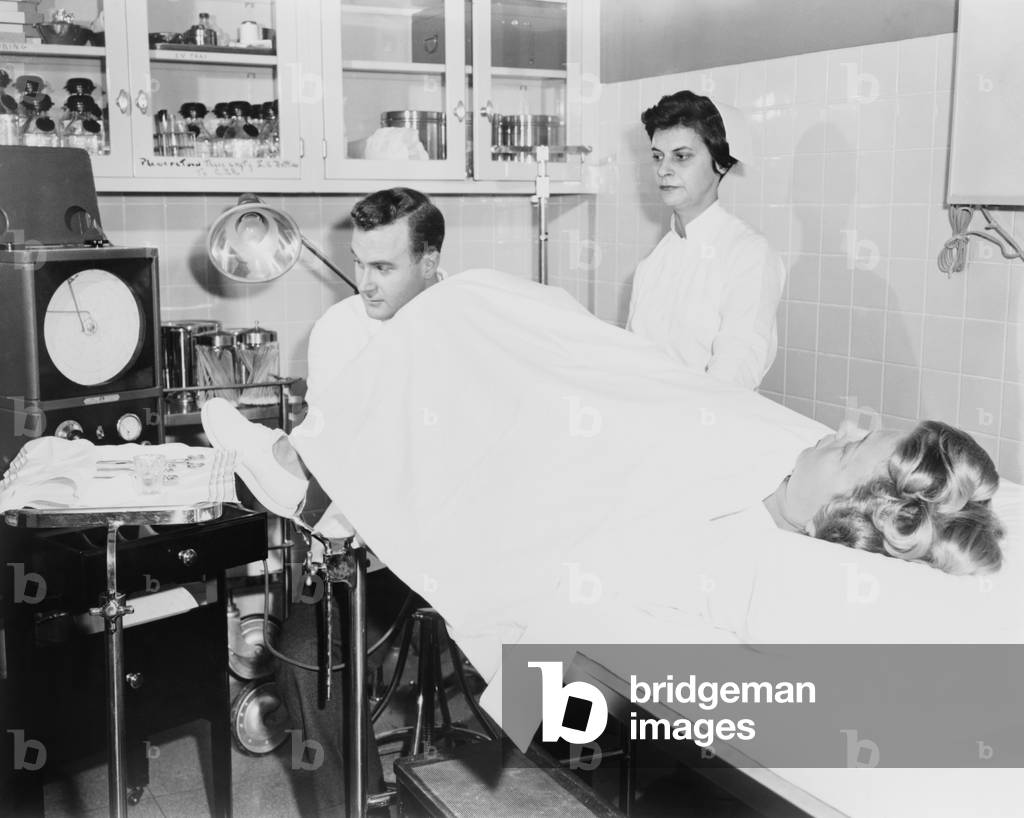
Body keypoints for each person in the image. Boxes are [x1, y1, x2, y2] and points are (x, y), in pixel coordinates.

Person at [203, 186, 446, 815]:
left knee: (533, 657)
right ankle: (354, 805)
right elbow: (328, 437)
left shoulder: (461, 329)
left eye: (384, 267)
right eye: (358, 262)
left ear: (430, 260)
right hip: (357, 553)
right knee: (307, 666)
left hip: (443, 551)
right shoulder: (341, 326)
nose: (364, 282)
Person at [627, 90, 785, 390]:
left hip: (709, 427)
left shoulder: (749, 253)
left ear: (722, 163)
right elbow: (634, 363)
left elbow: (735, 373)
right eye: (657, 157)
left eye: (681, 156)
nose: (663, 170)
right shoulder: (652, 264)